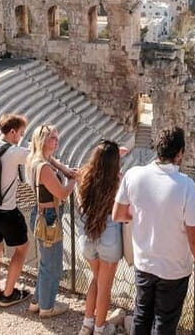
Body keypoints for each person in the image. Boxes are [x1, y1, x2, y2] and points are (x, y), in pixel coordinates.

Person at [113, 127, 195, 335]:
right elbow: (194, 235)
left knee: (142, 314)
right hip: (174, 269)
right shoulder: (186, 186)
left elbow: (118, 215)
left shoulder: (134, 175)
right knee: (164, 322)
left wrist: (140, 215)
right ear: (180, 153)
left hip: (144, 262)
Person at [25, 124, 77, 318]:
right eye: (53, 138)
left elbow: (55, 163)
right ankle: (47, 307)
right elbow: (62, 194)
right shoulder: (44, 167)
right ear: (42, 141)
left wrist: (66, 170)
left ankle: (37, 301)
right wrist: (74, 179)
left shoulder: (37, 159)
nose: (57, 141)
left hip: (41, 214)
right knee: (53, 265)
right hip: (49, 219)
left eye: (57, 137)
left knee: (45, 263)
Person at [77, 139, 128, 335]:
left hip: (88, 237)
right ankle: (100, 329)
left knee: (96, 280)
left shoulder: (84, 176)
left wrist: (114, 154)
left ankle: (87, 325)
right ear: (114, 162)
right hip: (109, 237)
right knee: (105, 286)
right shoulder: (117, 181)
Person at [0, 114, 32, 309]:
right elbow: (38, 157)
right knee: (22, 248)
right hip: (6, 211)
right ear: (12, 132)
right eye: (20, 133)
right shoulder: (14, 152)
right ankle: (9, 294)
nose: (20, 137)